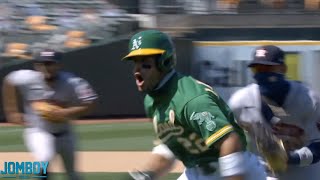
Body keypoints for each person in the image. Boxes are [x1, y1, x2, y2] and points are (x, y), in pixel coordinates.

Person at [121, 29, 266, 180]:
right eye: (135, 62)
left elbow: (230, 140)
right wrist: (148, 176)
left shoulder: (190, 99)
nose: (137, 69)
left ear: (164, 62)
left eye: (145, 63)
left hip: (234, 171)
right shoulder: (152, 101)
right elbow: (170, 147)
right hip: (196, 172)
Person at [2, 49, 98, 180]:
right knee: (43, 163)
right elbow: (9, 80)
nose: (45, 68)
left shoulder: (73, 82)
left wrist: (66, 112)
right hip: (38, 131)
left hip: (66, 132)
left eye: (50, 63)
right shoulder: (27, 78)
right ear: (36, 66)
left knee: (72, 173)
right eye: (41, 64)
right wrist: (11, 111)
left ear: (58, 65)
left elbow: (91, 102)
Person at [228, 45, 320, 180]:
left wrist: (289, 158)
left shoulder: (310, 100)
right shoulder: (240, 102)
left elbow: (318, 146)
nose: (263, 73)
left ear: (283, 69)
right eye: (258, 69)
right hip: (262, 173)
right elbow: (229, 143)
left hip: (303, 173)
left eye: (268, 68)